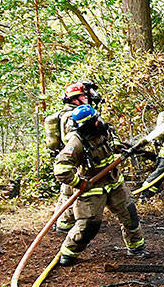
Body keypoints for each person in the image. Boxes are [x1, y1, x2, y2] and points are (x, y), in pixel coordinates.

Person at [52, 104, 146, 266]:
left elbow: (113, 142)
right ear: (86, 126)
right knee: (89, 225)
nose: (98, 122)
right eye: (94, 121)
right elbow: (61, 170)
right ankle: (69, 252)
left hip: (114, 183)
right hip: (92, 189)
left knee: (130, 215)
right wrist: (80, 183)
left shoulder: (103, 130)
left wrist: (121, 148)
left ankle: (136, 247)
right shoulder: (76, 143)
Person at [43, 81, 103, 233]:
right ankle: (63, 225)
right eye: (85, 96)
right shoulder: (71, 116)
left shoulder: (77, 111)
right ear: (75, 99)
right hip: (74, 160)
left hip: (76, 160)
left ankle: (63, 224)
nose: (89, 98)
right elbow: (71, 139)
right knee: (69, 193)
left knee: (68, 193)